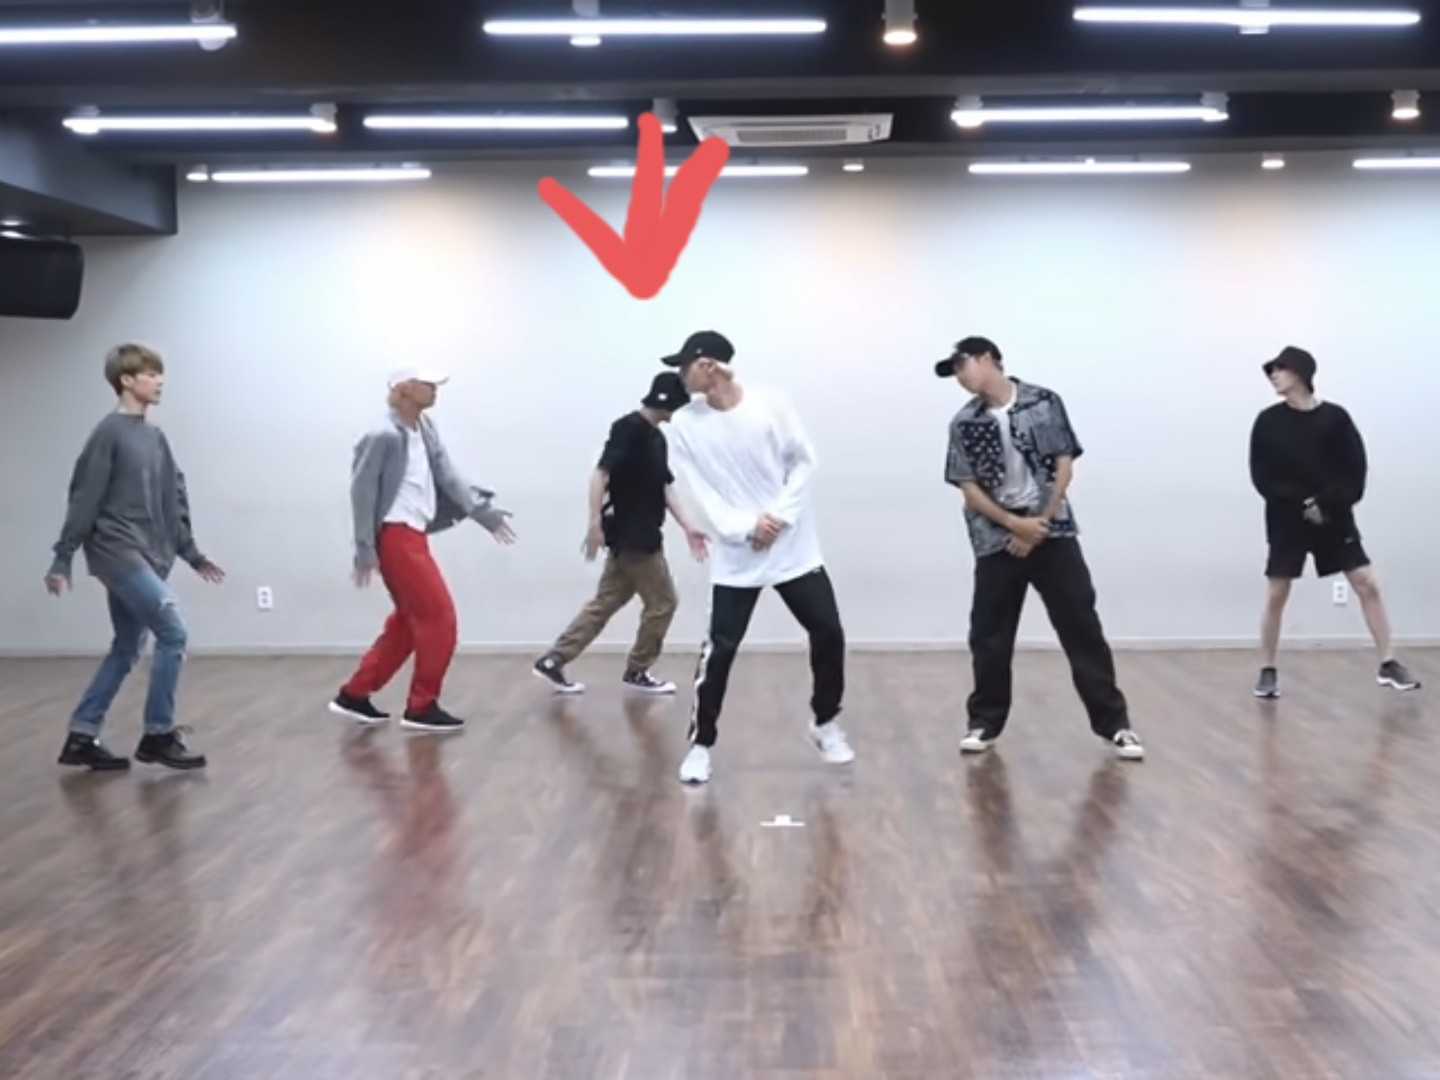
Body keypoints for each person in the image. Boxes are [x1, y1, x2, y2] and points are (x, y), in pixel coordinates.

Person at [661, 330, 854, 785]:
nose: (680, 375)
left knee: (828, 633)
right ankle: (701, 745)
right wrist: (746, 528)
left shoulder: (770, 405)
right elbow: (701, 492)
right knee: (720, 650)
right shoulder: (685, 424)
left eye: (685, 365)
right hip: (738, 555)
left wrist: (778, 519)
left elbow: (803, 463)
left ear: (708, 365)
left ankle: (825, 722)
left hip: (793, 548)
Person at [938, 336, 1144, 760]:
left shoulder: (1042, 402)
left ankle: (1115, 725)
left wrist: (1039, 524)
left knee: (1081, 626)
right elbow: (969, 489)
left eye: (962, 366)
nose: (959, 377)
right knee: (989, 635)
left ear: (987, 358)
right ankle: (984, 723)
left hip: (1053, 532)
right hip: (997, 537)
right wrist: (1015, 525)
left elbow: (1063, 467)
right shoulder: (963, 422)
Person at [47, 343, 225, 771]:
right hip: (116, 551)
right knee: (173, 633)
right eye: (150, 374)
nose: (159, 381)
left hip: (148, 552)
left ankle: (81, 735)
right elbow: (83, 497)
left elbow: (174, 498)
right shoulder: (108, 433)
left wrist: (190, 552)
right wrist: (63, 557)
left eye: (159, 373)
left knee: (128, 646)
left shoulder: (155, 438)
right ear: (126, 380)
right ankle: (158, 734)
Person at [329, 366, 516, 732]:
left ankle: (354, 694)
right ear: (406, 387)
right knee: (439, 618)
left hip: (414, 533)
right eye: (428, 384)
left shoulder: (425, 429)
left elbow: (448, 475)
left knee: (407, 622)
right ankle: (421, 706)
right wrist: (365, 548)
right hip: (394, 535)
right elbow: (361, 492)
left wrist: (483, 513)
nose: (435, 390)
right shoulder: (381, 435)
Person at [1249, 346, 1419, 698]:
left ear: (1301, 373)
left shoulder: (1336, 419)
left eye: (1280, 369)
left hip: (1333, 519)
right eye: (1271, 371)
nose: (1273, 376)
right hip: (1287, 520)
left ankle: (1388, 663)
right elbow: (1262, 476)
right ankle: (1267, 670)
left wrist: (1326, 503)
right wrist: (1300, 502)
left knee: (1366, 584)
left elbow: (1354, 472)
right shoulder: (1267, 422)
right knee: (1277, 592)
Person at [533, 372, 710, 695]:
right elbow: (600, 474)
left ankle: (553, 660)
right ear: (666, 401)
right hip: (633, 536)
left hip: (641, 532)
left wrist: (688, 526)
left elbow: (665, 486)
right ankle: (638, 670)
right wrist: (594, 523)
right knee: (663, 602)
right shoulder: (627, 429)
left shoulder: (657, 438)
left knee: (606, 601)